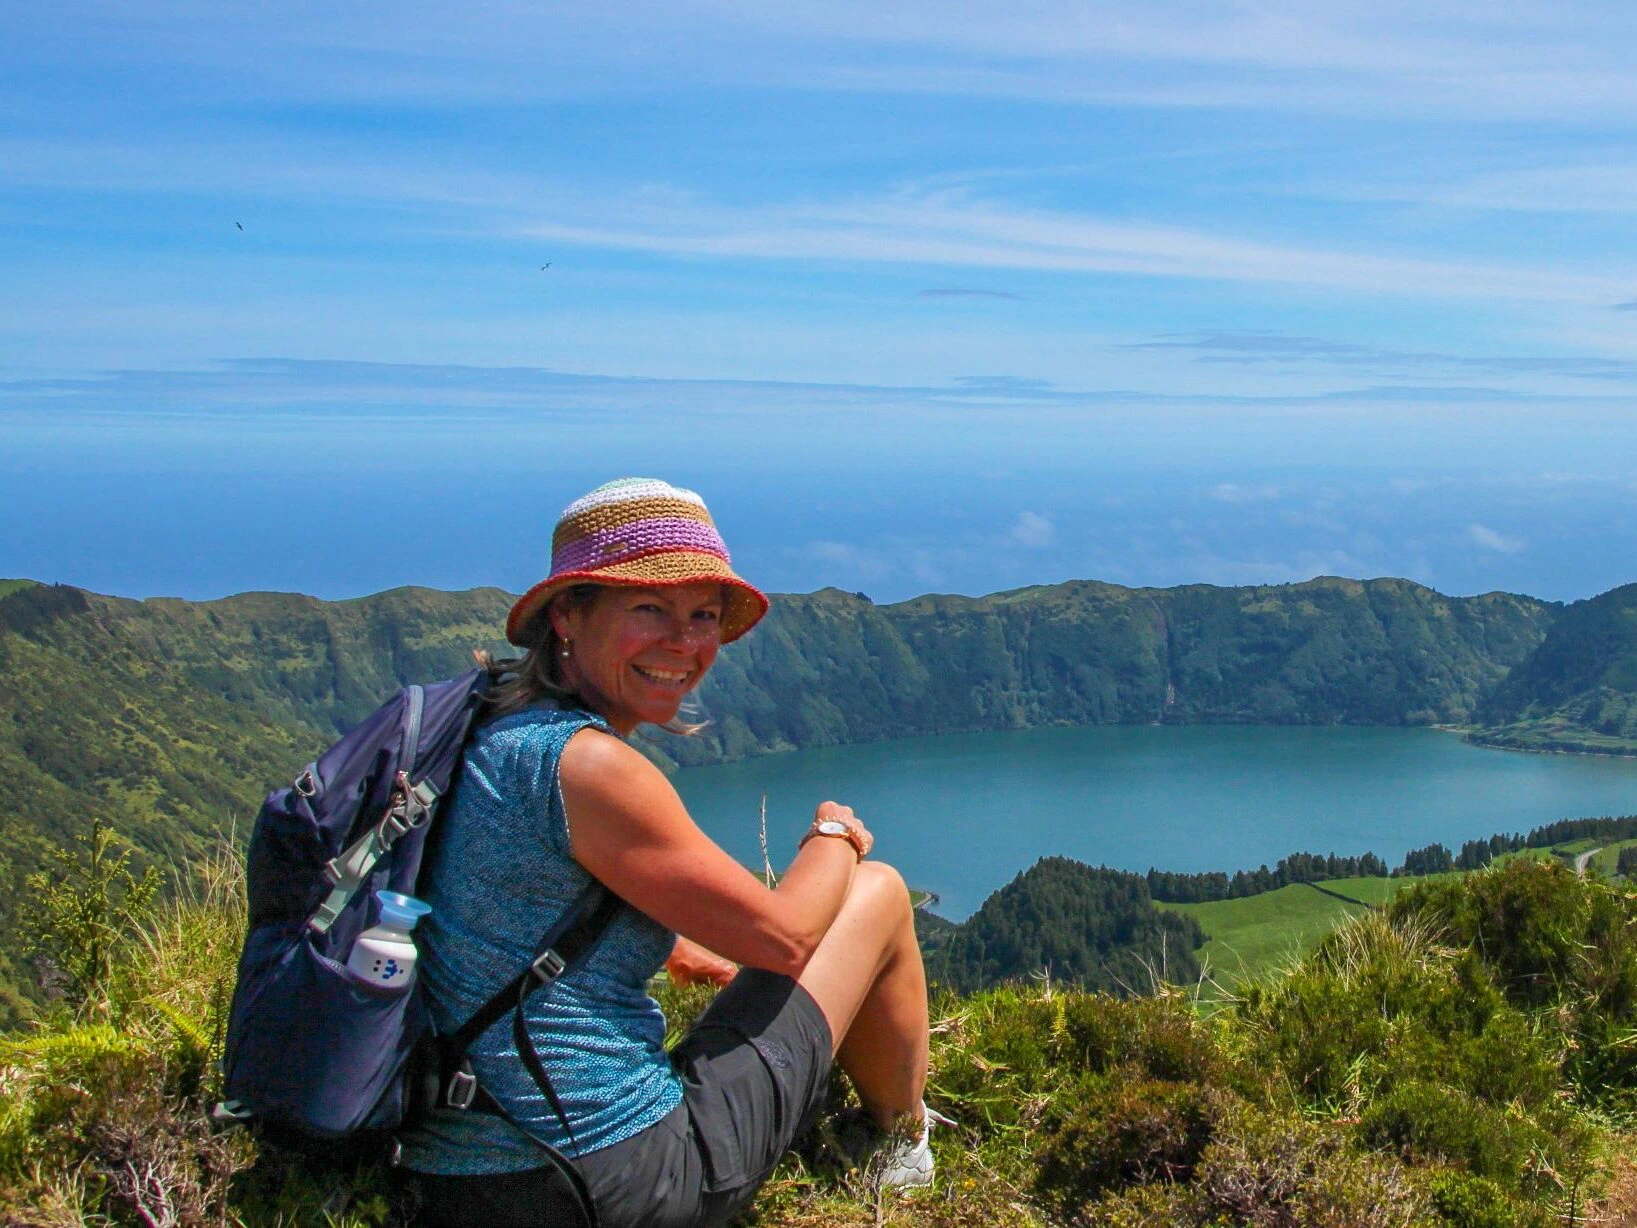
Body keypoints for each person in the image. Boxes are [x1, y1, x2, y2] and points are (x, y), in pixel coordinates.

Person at [400, 478, 938, 1228]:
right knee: (874, 891)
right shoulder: (588, 767)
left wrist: (690, 954)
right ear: (567, 614)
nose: (684, 644)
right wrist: (834, 836)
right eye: (648, 609)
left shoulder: (491, 734)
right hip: (608, 1178)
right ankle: (896, 1144)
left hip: (458, 1171)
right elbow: (784, 938)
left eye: (703, 616)